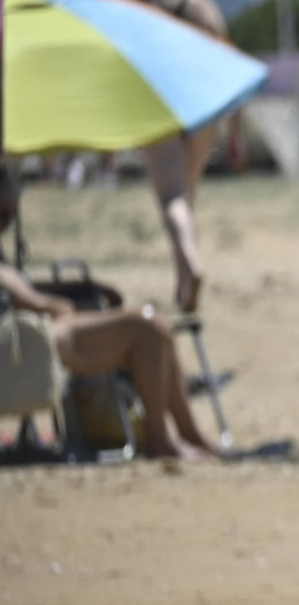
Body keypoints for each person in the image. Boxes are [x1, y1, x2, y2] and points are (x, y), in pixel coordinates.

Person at [0, 170, 223, 460]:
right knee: (149, 328)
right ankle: (161, 438)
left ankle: (188, 435)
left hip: (27, 335)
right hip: (26, 342)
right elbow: (34, 301)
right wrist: (65, 302)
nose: (9, 221)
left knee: (155, 326)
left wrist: (82, 289)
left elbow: (23, 289)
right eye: (5, 213)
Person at [141, 0, 235, 314]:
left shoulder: (145, 7)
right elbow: (231, 67)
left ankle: (189, 268)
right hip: (202, 112)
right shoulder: (204, 7)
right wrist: (237, 132)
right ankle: (183, 285)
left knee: (172, 200)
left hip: (162, 110)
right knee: (187, 197)